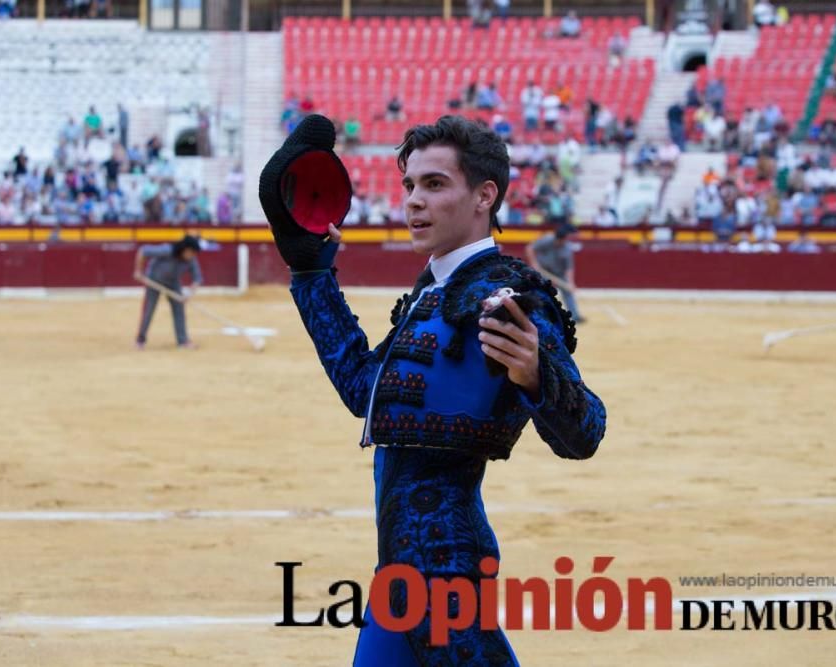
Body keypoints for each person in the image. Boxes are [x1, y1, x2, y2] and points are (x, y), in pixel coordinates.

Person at [259, 114, 606, 664]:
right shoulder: (431, 295)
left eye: (435, 184)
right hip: (397, 575)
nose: (414, 201)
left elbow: (585, 431)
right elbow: (361, 391)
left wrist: (540, 377)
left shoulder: (512, 297)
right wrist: (311, 271)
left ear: (484, 196)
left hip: (449, 574)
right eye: (410, 185)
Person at [133, 234, 203, 349]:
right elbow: (143, 251)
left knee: (179, 309)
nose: (193, 255)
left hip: (173, 283)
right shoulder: (167, 250)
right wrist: (138, 270)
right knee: (148, 310)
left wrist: (188, 294)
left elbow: (197, 279)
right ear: (185, 249)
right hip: (154, 280)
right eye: (192, 252)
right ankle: (140, 340)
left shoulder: (191, 259)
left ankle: (183, 341)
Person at [526, 225, 585, 323]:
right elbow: (530, 248)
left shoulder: (567, 248)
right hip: (543, 271)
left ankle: (575, 316)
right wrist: (534, 263)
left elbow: (569, 268)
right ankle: (539, 315)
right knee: (541, 291)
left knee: (568, 292)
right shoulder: (547, 240)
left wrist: (571, 283)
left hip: (559, 273)